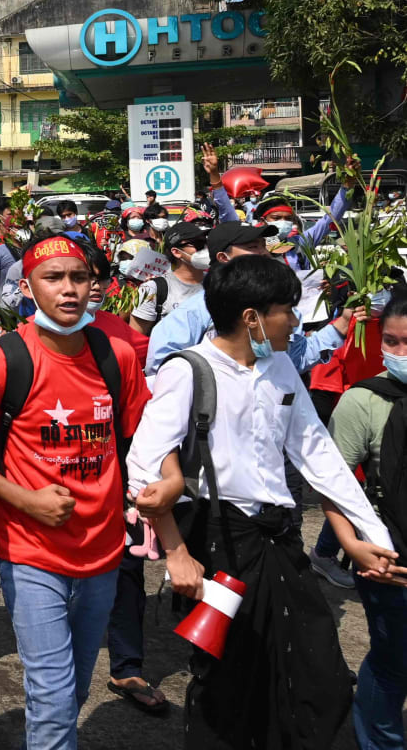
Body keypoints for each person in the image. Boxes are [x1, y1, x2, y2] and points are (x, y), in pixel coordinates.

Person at [126, 255, 399, 749]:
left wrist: (372, 537)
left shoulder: (280, 371)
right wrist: (176, 553)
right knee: (226, 681)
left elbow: (319, 457)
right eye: (286, 310)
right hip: (219, 544)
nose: (295, 322)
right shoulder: (189, 371)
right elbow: (143, 467)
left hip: (279, 540)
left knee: (317, 673)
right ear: (251, 317)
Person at [0, 232, 150, 750]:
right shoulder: (3, 358)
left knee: (70, 692)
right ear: (28, 288)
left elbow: (141, 443)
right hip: (32, 556)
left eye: (79, 277)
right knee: (53, 697)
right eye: (54, 279)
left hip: (103, 552)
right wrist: (24, 499)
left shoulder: (117, 354)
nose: (69, 290)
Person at [328, 295, 407, 748]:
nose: (397, 353)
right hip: (388, 555)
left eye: (406, 343)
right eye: (390, 342)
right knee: (394, 661)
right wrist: (352, 545)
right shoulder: (363, 401)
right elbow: (333, 483)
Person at [147, 221, 355, 375]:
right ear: (223, 258)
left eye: (264, 246)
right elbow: (163, 371)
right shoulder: (194, 312)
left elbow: (296, 357)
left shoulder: (280, 310)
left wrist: (343, 323)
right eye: (253, 247)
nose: (264, 253)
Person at [129, 221, 209, 337]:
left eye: (206, 242)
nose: (205, 248)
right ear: (176, 252)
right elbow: (136, 339)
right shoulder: (152, 289)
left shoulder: (218, 283)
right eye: (198, 244)